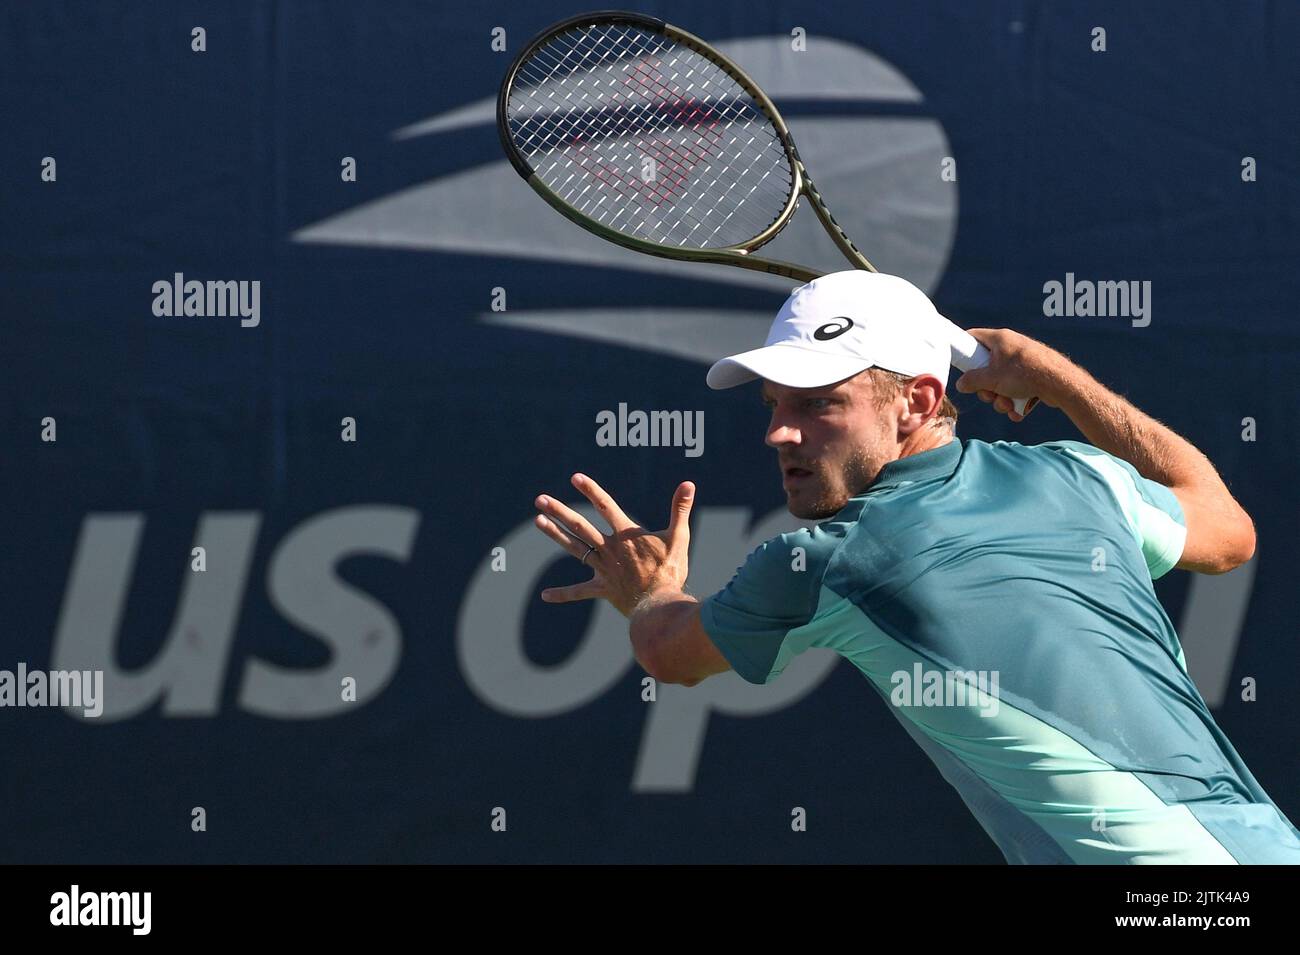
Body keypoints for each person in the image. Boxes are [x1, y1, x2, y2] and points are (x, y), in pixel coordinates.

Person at [531, 270, 1299, 864]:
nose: (778, 434)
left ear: (917, 400)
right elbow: (1228, 531)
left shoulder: (825, 560)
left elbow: (670, 651)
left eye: (816, 404)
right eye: (773, 405)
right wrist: (1059, 380)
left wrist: (651, 590)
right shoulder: (1080, 475)